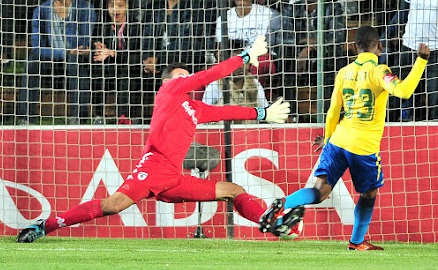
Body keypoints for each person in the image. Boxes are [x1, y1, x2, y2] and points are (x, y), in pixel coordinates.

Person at [17, 36, 291, 242]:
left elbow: (225, 111)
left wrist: (262, 112)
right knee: (112, 206)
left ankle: (269, 221)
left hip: (174, 177)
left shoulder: (193, 108)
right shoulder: (169, 92)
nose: (187, 80)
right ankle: (46, 225)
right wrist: (243, 56)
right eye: (181, 76)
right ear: (167, 82)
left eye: (187, 76)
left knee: (232, 191)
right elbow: (209, 75)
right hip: (155, 166)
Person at [258, 26, 430, 250]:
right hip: (363, 146)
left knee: (320, 191)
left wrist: (328, 138)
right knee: (369, 192)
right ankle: (357, 242)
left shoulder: (344, 72)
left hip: (338, 140)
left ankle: (284, 203)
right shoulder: (379, 71)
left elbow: (333, 110)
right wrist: (421, 61)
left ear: (354, 47)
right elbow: (404, 91)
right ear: (379, 46)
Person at [16, 0, 94, 125]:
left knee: (76, 62)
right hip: (51, 59)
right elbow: (37, 47)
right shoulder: (41, 10)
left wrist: (74, 52)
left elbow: (85, 42)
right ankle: (25, 119)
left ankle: (79, 119)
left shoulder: (86, 9)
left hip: (77, 59)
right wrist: (65, 52)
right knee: (32, 63)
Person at [91, 0, 148, 124]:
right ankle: (99, 116)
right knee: (98, 71)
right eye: (111, 5)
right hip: (111, 67)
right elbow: (96, 43)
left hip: (130, 67)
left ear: (127, 6)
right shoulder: (103, 26)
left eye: (120, 5)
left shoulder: (136, 26)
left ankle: (125, 116)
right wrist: (99, 47)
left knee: (127, 75)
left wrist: (112, 52)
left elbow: (136, 54)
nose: (115, 9)